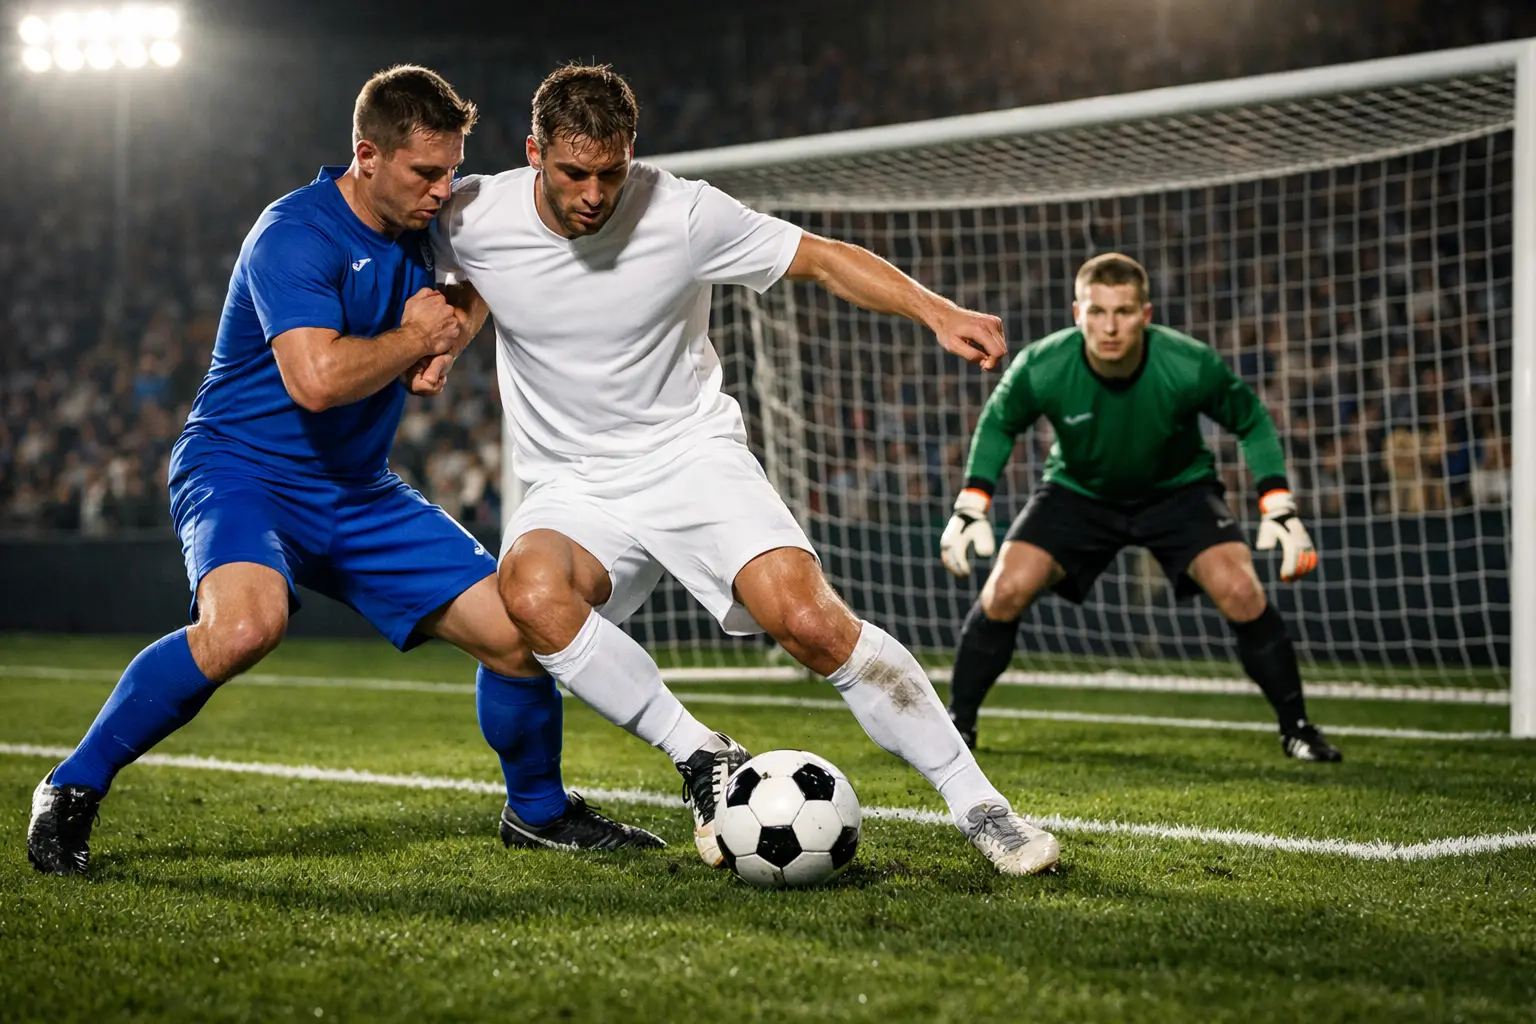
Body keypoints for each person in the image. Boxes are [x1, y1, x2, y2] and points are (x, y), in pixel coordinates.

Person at [26, 66, 663, 877]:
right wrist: (414, 339)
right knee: (245, 626)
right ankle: (70, 788)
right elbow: (317, 381)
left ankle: (537, 813)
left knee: (518, 634)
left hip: (358, 489)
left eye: (452, 170)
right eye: (426, 173)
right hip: (242, 471)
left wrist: (451, 333)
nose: (444, 191)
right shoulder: (294, 233)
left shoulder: (435, 222)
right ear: (367, 156)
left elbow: (482, 277)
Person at [432, 63, 1059, 877]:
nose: (594, 193)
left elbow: (825, 259)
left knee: (808, 621)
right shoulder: (474, 212)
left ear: (634, 156)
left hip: (691, 455)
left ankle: (980, 806)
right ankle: (702, 755)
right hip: (573, 482)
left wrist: (939, 312)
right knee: (528, 595)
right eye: (574, 173)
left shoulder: (685, 212)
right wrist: (445, 333)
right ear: (534, 154)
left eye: (612, 173)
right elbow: (458, 272)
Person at [939, 253, 1342, 762]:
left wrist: (1279, 505)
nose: (1110, 326)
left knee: (1241, 589)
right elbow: (999, 423)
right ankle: (959, 726)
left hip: (1178, 491)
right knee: (1005, 589)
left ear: (1146, 315)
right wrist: (972, 503)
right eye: (1097, 311)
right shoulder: (1043, 364)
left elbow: (1251, 419)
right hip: (1078, 491)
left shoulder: (1188, 362)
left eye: (1123, 311)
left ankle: (1298, 728)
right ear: (1076, 312)